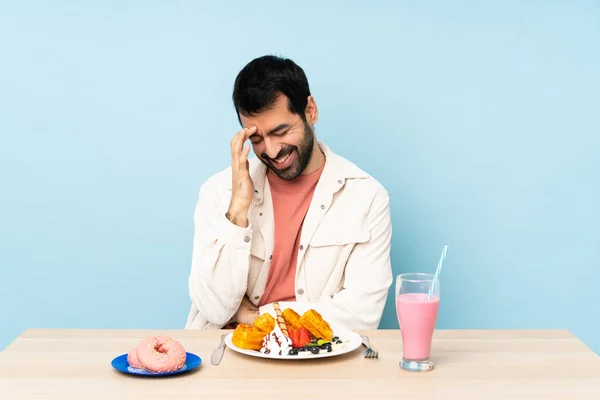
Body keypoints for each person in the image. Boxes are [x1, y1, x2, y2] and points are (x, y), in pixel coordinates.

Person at [185, 55, 393, 331]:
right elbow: (215, 309)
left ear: (310, 110)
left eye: (281, 131)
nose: (271, 151)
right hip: (226, 355)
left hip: (314, 359)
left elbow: (361, 316)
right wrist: (237, 210)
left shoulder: (366, 197)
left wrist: (259, 317)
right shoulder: (219, 192)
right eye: (256, 139)